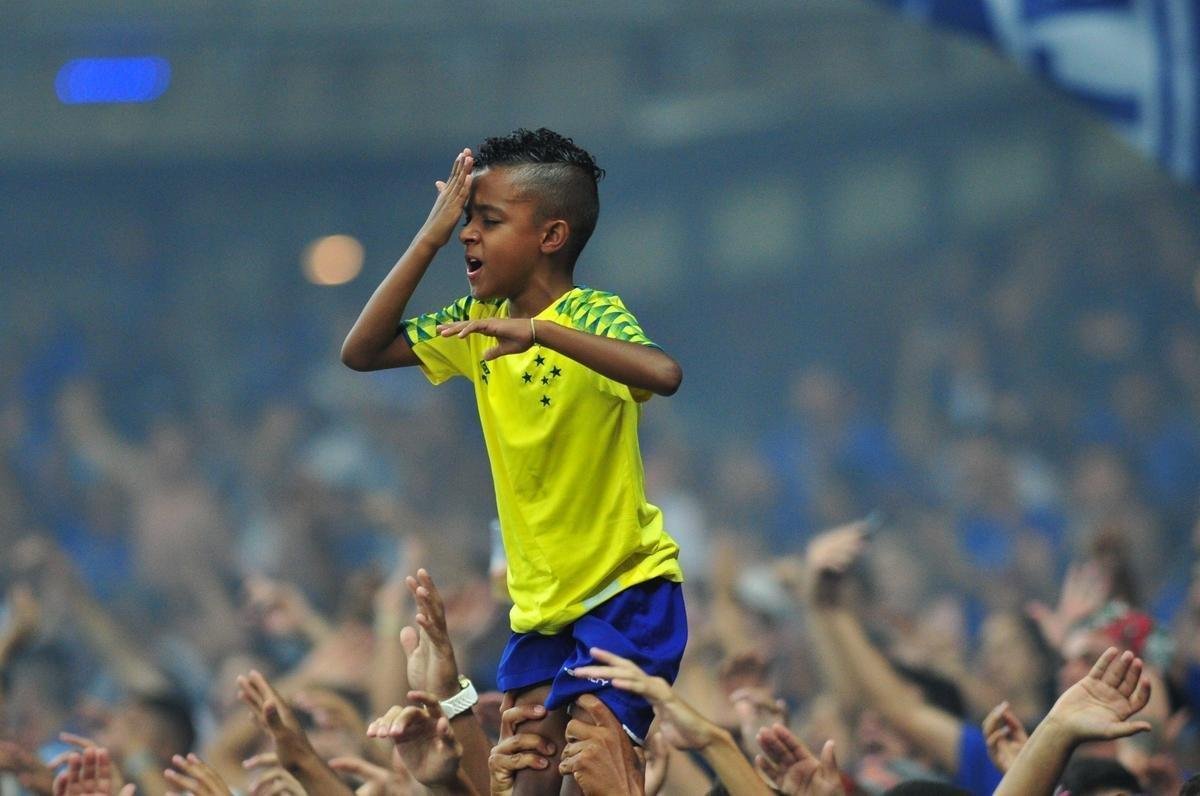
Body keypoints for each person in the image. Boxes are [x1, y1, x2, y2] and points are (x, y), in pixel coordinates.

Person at [341, 128, 686, 792]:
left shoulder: (593, 316)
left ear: (550, 236)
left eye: (487, 221)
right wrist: (428, 236)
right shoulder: (477, 323)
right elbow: (363, 350)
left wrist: (538, 332)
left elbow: (663, 373)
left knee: (597, 769)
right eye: (465, 221)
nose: (469, 235)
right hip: (538, 613)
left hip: (626, 593)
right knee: (524, 783)